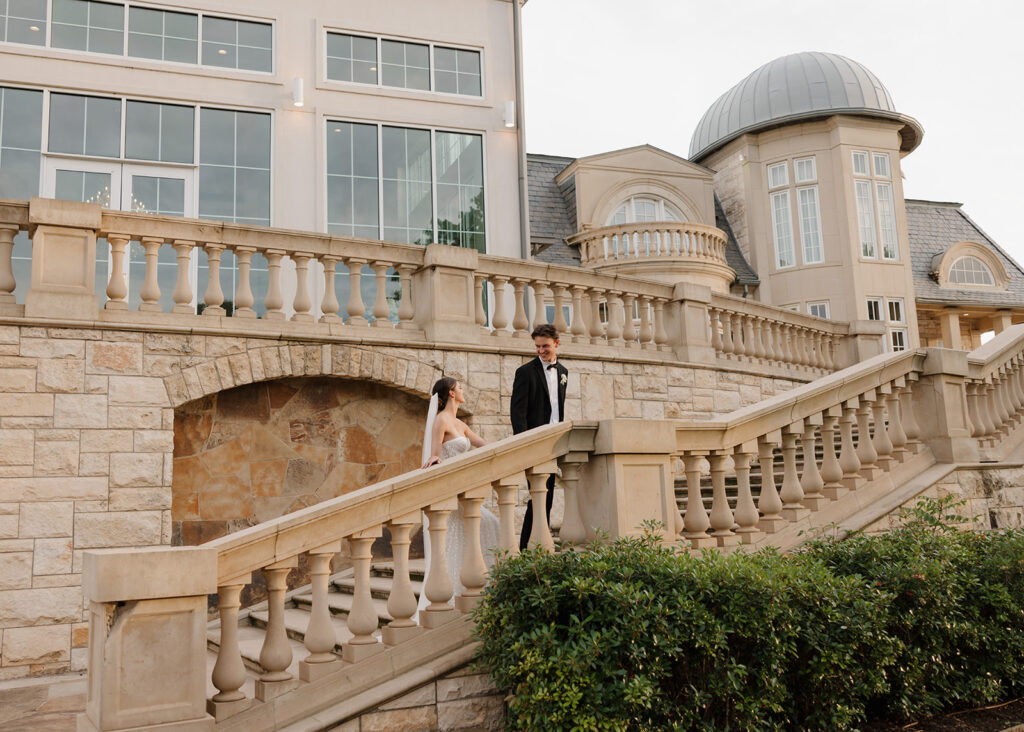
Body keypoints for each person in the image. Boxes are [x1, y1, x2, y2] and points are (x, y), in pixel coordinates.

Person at [416, 377, 501, 617]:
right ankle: (455, 594)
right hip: (452, 491)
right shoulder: (441, 421)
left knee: (490, 525)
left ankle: (482, 586)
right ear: (452, 394)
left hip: (467, 490)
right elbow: (435, 455)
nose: (463, 390)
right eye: (460, 387)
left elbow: (483, 445)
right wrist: (433, 462)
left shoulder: (461, 424)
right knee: (470, 532)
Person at [510, 324, 568, 550]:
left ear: (556, 343)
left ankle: (535, 545)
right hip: (534, 445)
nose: (541, 350)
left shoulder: (563, 372)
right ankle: (526, 548)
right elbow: (518, 413)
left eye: (545, 346)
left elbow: (557, 409)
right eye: (537, 347)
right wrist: (525, 446)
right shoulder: (525, 373)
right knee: (538, 497)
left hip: (555, 444)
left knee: (548, 498)